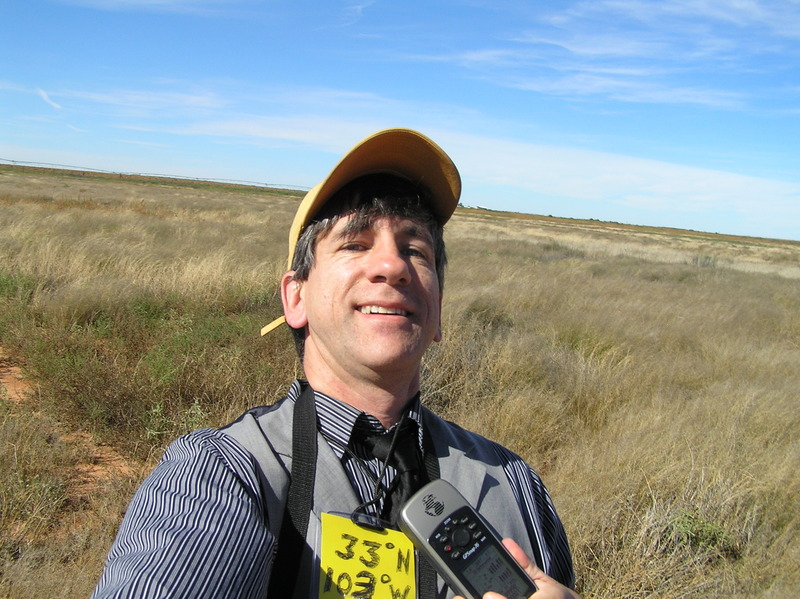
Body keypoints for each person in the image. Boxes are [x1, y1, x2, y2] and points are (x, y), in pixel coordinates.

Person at [92, 128, 580, 599]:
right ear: (296, 298)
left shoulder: (514, 485)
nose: (392, 266)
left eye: (416, 250)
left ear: (438, 313)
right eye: (355, 244)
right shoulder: (222, 477)